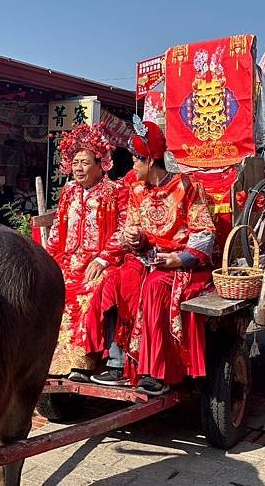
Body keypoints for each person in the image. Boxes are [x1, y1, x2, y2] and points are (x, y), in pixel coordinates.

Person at [88, 119, 215, 395]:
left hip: (177, 263)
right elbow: (130, 230)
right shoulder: (135, 189)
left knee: (155, 288)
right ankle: (118, 362)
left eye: (135, 160)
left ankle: (157, 372)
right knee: (115, 282)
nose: (132, 167)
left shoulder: (186, 186)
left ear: (149, 160)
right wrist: (133, 238)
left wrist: (178, 259)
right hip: (144, 259)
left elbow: (204, 234)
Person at [46, 123, 127, 382]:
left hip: (102, 261)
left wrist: (103, 258)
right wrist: (47, 260)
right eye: (75, 162)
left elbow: (123, 229)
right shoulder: (68, 191)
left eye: (84, 162)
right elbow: (59, 227)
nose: (78, 168)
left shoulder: (115, 192)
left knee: (90, 291)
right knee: (52, 288)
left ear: (100, 164)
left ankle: (83, 363)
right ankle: (48, 359)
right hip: (68, 260)